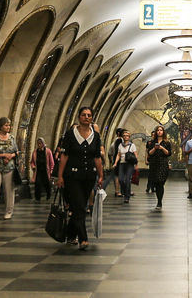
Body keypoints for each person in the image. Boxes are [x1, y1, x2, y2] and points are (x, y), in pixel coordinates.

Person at [55, 106, 104, 251]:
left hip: (89, 176)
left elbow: (97, 157)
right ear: (79, 117)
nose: (86, 117)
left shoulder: (95, 136)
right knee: (79, 205)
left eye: (89, 115)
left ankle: (70, 235)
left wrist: (101, 175)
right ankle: (83, 238)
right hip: (73, 175)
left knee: (79, 206)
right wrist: (60, 176)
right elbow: (64, 156)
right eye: (84, 115)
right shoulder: (70, 134)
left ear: (92, 118)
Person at [146, 125, 173, 210]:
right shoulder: (152, 143)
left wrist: (161, 148)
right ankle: (159, 201)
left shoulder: (167, 143)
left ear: (163, 132)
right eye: (158, 130)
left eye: (161, 130)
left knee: (161, 183)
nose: (159, 132)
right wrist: (155, 148)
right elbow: (149, 153)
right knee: (157, 183)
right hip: (154, 164)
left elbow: (168, 153)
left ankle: (159, 202)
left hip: (163, 164)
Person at [113, 129, 138, 203]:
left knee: (127, 180)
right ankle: (125, 191)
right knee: (120, 179)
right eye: (124, 136)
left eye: (127, 136)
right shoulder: (120, 145)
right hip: (121, 163)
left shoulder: (132, 145)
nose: (125, 137)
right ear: (122, 137)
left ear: (129, 137)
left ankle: (127, 197)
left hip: (129, 164)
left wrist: (136, 164)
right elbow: (118, 154)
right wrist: (115, 163)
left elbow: (136, 155)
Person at [33, 137, 55, 201]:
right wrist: (33, 166)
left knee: (47, 183)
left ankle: (48, 194)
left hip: (46, 170)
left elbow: (51, 162)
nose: (39, 145)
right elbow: (32, 161)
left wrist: (51, 170)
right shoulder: (35, 152)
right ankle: (37, 197)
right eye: (38, 144)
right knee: (37, 183)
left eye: (40, 143)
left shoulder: (48, 151)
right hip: (38, 170)